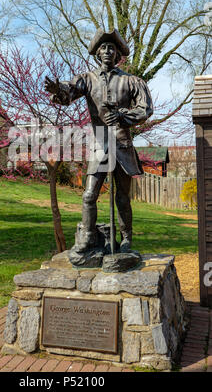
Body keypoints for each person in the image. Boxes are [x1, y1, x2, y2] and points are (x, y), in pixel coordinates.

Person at [45, 29, 153, 253]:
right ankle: (87, 236)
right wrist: (59, 90)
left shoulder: (131, 81)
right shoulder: (88, 79)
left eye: (111, 47)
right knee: (89, 194)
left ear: (118, 54)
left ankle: (126, 239)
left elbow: (145, 109)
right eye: (103, 47)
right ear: (97, 54)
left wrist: (124, 116)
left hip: (122, 143)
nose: (107, 51)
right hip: (99, 143)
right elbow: (70, 90)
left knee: (122, 197)